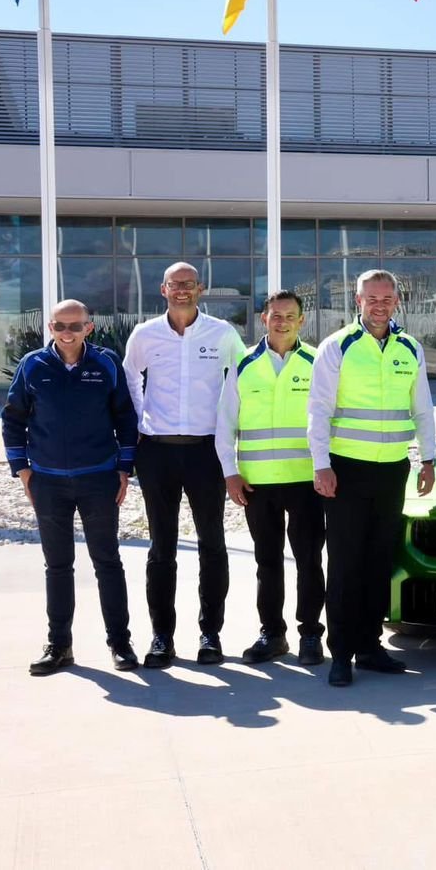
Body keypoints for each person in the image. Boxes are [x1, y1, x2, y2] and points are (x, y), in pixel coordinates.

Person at [308, 269, 436, 688]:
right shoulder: (338, 346)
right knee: (345, 564)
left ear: (397, 301)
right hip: (346, 470)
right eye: (371, 298)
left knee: (379, 561)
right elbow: (318, 410)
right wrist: (321, 465)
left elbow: (422, 408)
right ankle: (341, 654)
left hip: (392, 469)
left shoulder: (410, 348)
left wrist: (429, 459)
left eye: (386, 298)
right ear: (357, 301)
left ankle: (369, 647)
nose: (379, 306)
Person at [3, 299, 139, 675]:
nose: (67, 333)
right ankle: (59, 645)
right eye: (60, 326)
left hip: (99, 479)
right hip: (48, 482)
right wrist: (22, 470)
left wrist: (124, 468)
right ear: (50, 327)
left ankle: (120, 643)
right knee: (58, 565)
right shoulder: (32, 365)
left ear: (88, 328)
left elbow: (125, 416)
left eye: (75, 326)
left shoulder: (106, 363)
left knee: (107, 562)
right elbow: (13, 418)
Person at [123, 262, 247, 668]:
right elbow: (129, 378)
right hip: (157, 452)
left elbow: (241, 382)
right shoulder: (145, 334)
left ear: (200, 289)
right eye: (175, 284)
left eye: (189, 284)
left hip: (205, 452)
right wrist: (139, 424)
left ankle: (211, 634)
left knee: (212, 544)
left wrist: (231, 437)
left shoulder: (222, 334)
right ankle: (162, 636)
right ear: (163, 289)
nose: (182, 290)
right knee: (162, 547)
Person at [216, 291, 326, 667]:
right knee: (267, 562)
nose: (282, 322)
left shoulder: (317, 362)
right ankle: (272, 634)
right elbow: (225, 423)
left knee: (309, 561)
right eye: (276, 315)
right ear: (264, 319)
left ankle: (310, 634)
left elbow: (330, 418)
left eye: (290, 316)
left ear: (301, 321)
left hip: (305, 481)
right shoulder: (244, 363)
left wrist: (325, 468)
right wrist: (230, 473)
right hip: (257, 482)